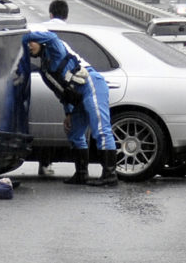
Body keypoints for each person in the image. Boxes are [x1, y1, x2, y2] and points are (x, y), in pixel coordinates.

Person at [19, 29, 118, 187]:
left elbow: (51, 36)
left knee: (100, 129)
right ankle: (81, 174)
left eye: (32, 42)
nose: (29, 46)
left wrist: (24, 35)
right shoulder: (45, 69)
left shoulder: (56, 48)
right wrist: (69, 113)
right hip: (76, 98)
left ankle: (110, 175)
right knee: (74, 133)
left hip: (91, 85)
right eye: (27, 45)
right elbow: (62, 93)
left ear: (41, 42)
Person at [36, 0, 69, 176]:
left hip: (48, 81)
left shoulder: (41, 29)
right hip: (66, 81)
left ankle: (44, 162)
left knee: (42, 130)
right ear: (66, 15)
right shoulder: (68, 32)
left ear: (50, 14)